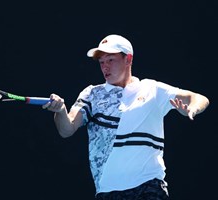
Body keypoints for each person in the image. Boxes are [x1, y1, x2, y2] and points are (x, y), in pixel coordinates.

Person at [42, 34, 210, 200]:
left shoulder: (152, 89)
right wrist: (60, 110)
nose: (105, 67)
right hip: (108, 191)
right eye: (101, 62)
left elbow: (198, 98)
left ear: (128, 59)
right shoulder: (92, 94)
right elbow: (66, 129)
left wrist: (192, 108)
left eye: (110, 60)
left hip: (150, 186)